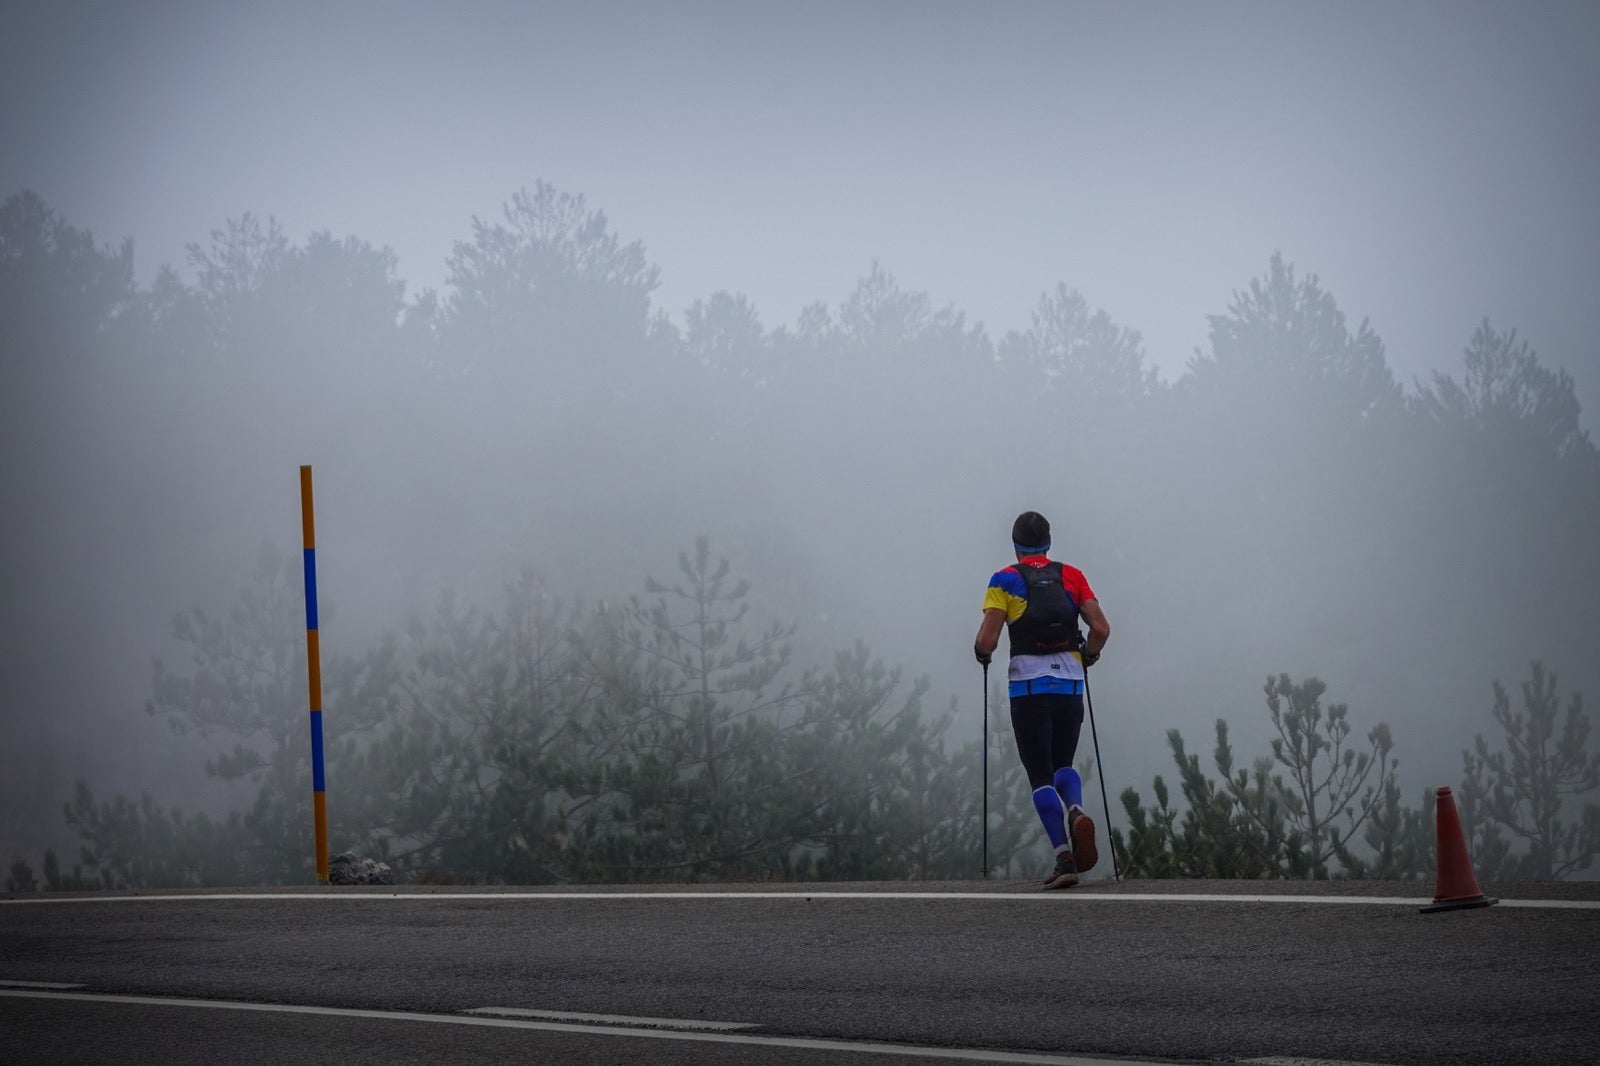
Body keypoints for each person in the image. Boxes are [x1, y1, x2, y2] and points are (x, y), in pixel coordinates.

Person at [974, 511, 1110, 889]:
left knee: (1040, 774)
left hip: (1028, 689)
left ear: (1016, 546)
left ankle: (1063, 857)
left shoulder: (1005, 579)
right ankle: (1077, 810)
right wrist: (1089, 656)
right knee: (1063, 762)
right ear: (1048, 543)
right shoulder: (1072, 576)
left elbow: (988, 640)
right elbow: (1100, 628)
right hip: (1069, 683)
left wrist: (981, 654)